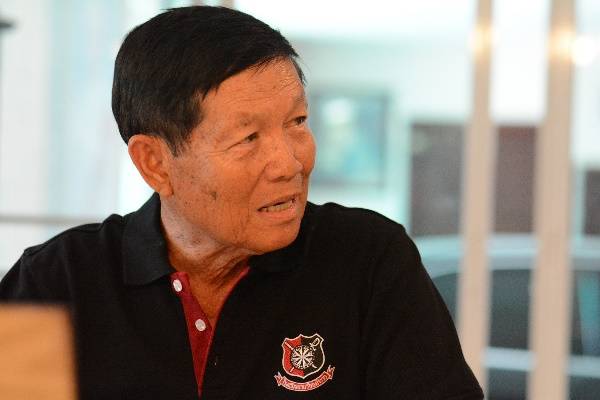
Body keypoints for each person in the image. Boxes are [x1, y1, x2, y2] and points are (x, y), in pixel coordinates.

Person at [0, 6, 483, 400]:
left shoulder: (368, 260)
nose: (289, 163)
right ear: (154, 163)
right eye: (248, 138)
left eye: (297, 122)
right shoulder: (58, 281)